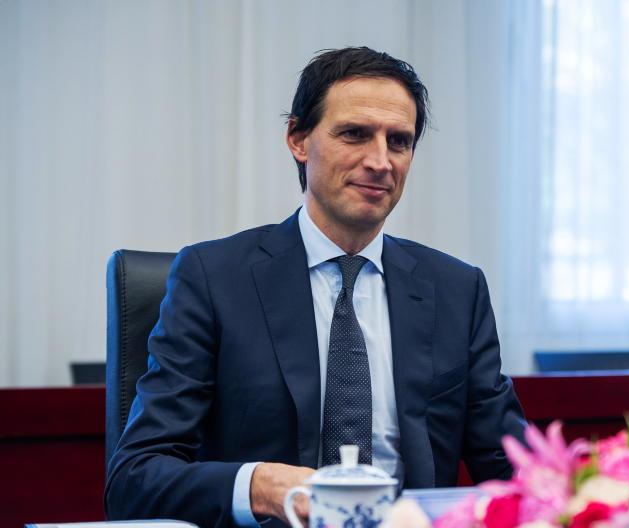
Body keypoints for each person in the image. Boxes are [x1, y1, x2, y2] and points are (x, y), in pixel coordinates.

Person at [105, 47, 525, 528]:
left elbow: (516, 471)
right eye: (355, 134)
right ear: (298, 139)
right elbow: (134, 479)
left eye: (399, 141)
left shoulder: (457, 291)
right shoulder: (212, 278)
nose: (380, 161)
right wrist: (261, 486)